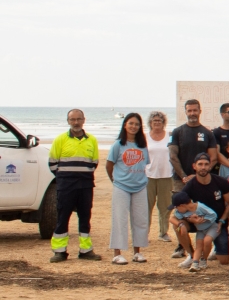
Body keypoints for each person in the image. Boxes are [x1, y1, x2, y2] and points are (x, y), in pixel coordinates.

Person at [47, 109, 100, 262]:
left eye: (78, 119)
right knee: (63, 217)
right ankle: (60, 251)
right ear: (68, 121)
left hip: (85, 185)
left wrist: (82, 176)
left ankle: (86, 251)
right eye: (72, 119)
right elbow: (52, 163)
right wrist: (65, 178)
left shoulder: (92, 140)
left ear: (84, 120)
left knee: (85, 217)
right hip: (66, 186)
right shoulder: (60, 139)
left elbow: (94, 162)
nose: (76, 122)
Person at [106, 113, 150, 265]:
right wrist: (115, 180)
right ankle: (117, 253)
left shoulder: (142, 146)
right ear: (125, 125)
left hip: (140, 186)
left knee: (140, 219)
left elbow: (145, 165)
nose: (133, 127)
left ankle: (137, 252)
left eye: (137, 124)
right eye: (131, 123)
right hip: (121, 187)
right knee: (120, 219)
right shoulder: (118, 145)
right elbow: (109, 165)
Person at [180, 153, 229, 265]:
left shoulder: (221, 182)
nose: (203, 167)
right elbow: (181, 207)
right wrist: (191, 218)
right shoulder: (189, 186)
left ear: (210, 166)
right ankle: (191, 255)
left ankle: (214, 247)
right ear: (194, 166)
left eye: (206, 164)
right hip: (199, 223)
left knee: (224, 261)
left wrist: (222, 220)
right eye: (200, 164)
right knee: (178, 225)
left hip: (218, 223)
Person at [168, 99, 216, 187]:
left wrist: (198, 176)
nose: (192, 113)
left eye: (195, 110)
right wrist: (184, 177)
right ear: (185, 112)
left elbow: (213, 158)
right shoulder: (176, 132)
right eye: (189, 111)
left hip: (203, 180)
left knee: (202, 201)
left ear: (200, 111)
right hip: (181, 181)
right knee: (181, 201)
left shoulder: (208, 133)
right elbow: (172, 157)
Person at [144, 110, 174, 243]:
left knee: (165, 206)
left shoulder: (170, 135)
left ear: (164, 123)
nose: (157, 123)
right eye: (154, 120)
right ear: (150, 123)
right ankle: (144, 234)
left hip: (166, 175)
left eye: (159, 121)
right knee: (146, 207)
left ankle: (163, 233)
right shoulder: (145, 137)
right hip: (148, 176)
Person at [169, 191, 218, 272]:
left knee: (207, 241)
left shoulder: (200, 207)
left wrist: (201, 219)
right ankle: (194, 260)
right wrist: (181, 225)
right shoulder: (181, 211)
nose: (176, 209)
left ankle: (203, 259)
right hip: (200, 230)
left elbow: (213, 215)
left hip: (210, 227)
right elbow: (171, 219)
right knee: (178, 228)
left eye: (176, 207)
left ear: (182, 205)